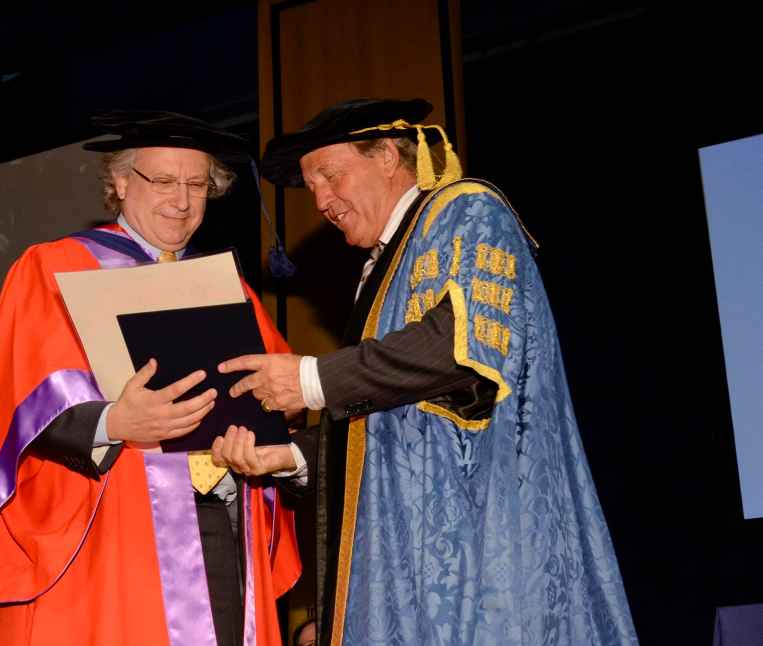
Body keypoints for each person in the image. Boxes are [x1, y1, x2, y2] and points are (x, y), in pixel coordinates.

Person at [216, 98, 638, 645]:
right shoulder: (384, 266)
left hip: (482, 543)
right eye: (310, 185)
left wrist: (311, 380)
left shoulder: (466, 210)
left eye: (330, 175)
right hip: (412, 558)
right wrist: (293, 457)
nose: (320, 200)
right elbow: (402, 426)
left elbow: (460, 350)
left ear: (389, 155)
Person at [0, 111, 313, 646]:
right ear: (120, 182)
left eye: (197, 185)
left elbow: (285, 399)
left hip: (223, 524)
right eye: (163, 181)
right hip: (112, 528)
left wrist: (266, 423)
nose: (182, 201)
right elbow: (21, 403)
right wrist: (117, 419)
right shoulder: (55, 268)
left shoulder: (227, 285)